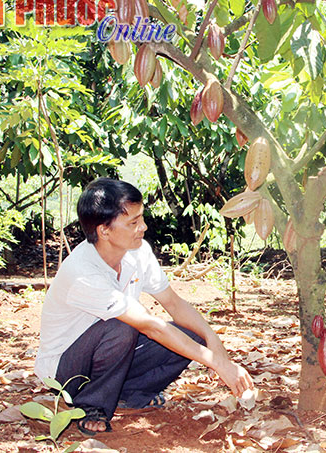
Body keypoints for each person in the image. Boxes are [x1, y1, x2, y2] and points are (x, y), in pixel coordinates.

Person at [35, 178, 253, 435]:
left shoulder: (138, 251)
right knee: (122, 326)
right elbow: (150, 326)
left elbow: (173, 302)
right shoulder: (82, 272)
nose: (144, 227)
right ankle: (91, 405)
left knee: (190, 335)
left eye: (141, 218)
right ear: (104, 231)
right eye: (133, 222)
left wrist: (214, 344)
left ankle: (130, 394)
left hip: (111, 356)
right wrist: (217, 365)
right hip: (67, 370)